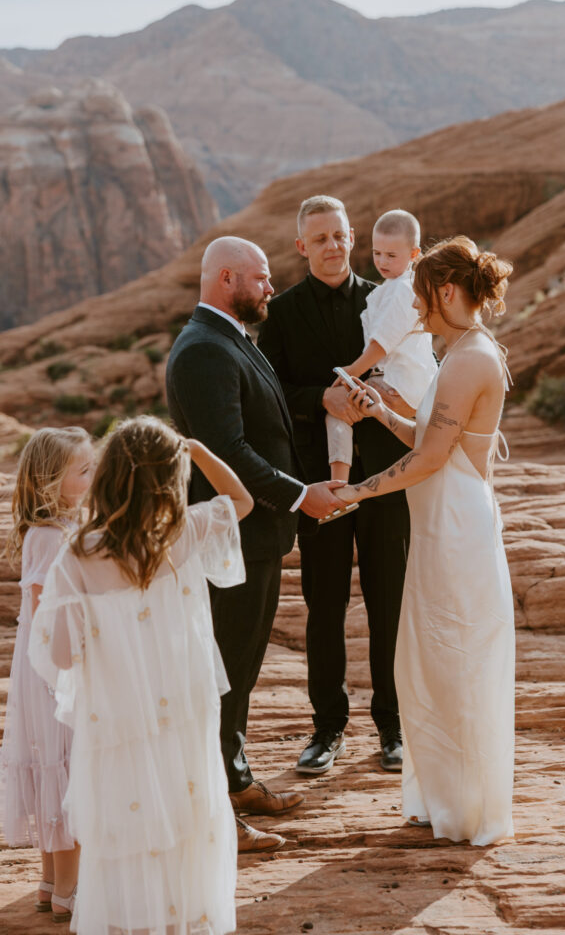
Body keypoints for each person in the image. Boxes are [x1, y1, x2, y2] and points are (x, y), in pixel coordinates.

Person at [29, 416, 252, 934]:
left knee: (125, 833)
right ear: (171, 480)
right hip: (185, 712)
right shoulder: (184, 531)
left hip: (117, 723)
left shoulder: (79, 555)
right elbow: (240, 501)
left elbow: (60, 656)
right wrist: (196, 449)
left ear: (106, 475)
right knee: (186, 818)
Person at [335, 236, 516, 846]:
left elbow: (433, 459)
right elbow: (428, 437)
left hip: (456, 524)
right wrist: (382, 409)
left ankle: (465, 809)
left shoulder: (469, 358)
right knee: (430, 659)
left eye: (419, 298)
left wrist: (357, 492)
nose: (414, 310)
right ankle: (441, 796)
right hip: (443, 522)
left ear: (445, 291)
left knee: (456, 658)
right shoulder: (461, 350)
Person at [166, 236, 343, 850]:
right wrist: (300, 495)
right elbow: (230, 455)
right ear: (226, 280)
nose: (272, 287)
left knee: (239, 668)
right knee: (221, 670)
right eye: (261, 278)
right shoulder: (203, 352)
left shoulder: (231, 338)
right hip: (230, 537)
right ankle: (215, 811)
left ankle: (236, 780)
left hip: (255, 535)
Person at [258, 196, 410, 774]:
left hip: (387, 476)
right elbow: (270, 395)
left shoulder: (386, 298)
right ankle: (327, 729)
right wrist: (318, 397)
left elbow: (410, 370)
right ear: (302, 246)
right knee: (325, 606)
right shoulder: (282, 312)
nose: (332, 246)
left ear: (353, 239)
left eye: (340, 236)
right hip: (317, 481)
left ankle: (392, 727)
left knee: (388, 603)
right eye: (319, 238)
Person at [0, 426, 94, 922]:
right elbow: (43, 605)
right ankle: (71, 893)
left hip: (43, 665)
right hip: (54, 669)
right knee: (67, 772)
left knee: (53, 771)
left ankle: (48, 882)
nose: (93, 473)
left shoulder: (55, 530)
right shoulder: (50, 536)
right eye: (83, 469)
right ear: (49, 483)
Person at [326, 209, 437, 481]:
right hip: (411, 384)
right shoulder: (399, 285)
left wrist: (350, 371)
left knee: (339, 407)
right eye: (377, 253)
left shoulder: (402, 289)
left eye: (391, 255)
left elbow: (380, 345)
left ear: (414, 254)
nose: (381, 261)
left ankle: (338, 484)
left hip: (399, 384)